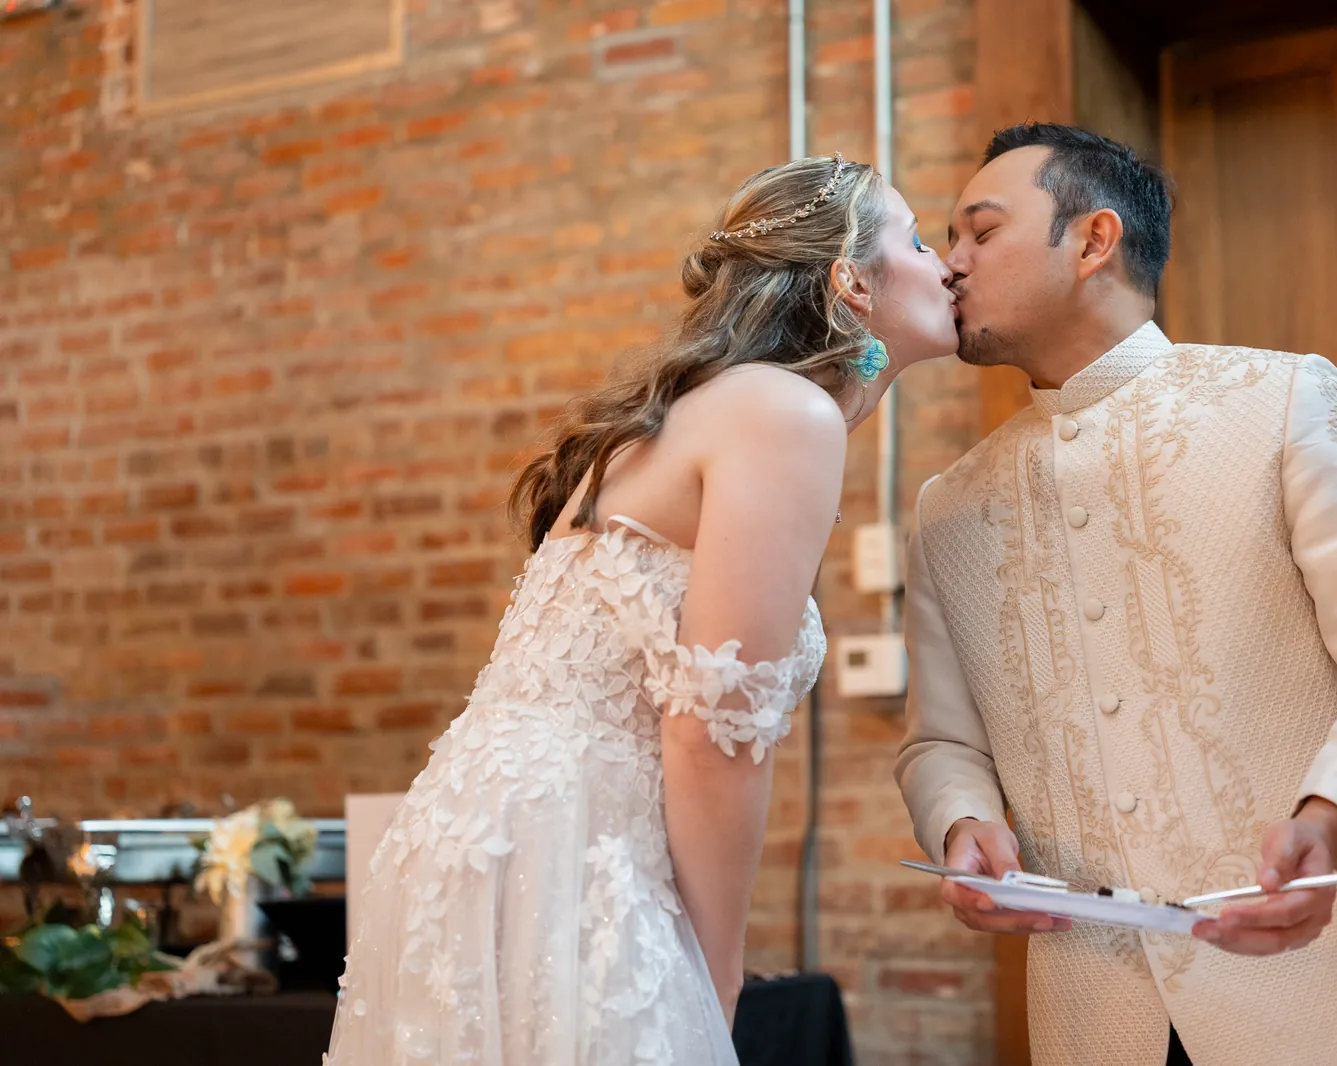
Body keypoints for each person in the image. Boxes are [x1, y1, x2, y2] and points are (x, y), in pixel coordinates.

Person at [324, 153, 957, 1065]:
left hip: (487, 837)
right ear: (850, 280)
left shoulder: (697, 411)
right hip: (570, 854)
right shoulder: (784, 414)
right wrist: (719, 966)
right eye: (921, 238)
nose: (944, 264)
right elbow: (713, 726)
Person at [895, 123, 1337, 1066]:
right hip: (1095, 1018)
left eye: (979, 232)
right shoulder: (946, 507)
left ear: (1094, 242)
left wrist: (1334, 817)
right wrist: (961, 820)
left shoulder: (1286, 400)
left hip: (1333, 996)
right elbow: (942, 739)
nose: (949, 264)